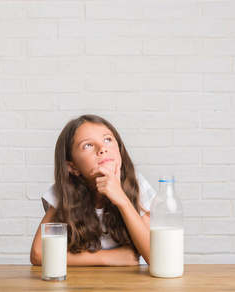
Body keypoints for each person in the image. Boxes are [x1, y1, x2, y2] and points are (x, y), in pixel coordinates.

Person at [30, 114, 156, 266]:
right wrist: (107, 258)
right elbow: (38, 255)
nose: (102, 148)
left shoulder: (138, 184)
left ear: (119, 149)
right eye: (88, 145)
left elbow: (157, 258)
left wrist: (121, 199)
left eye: (108, 139)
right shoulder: (64, 192)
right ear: (72, 167)